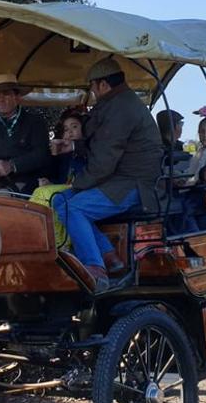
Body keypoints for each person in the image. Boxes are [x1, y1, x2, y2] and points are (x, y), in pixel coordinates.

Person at [50, 58, 162, 292]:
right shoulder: (117, 103)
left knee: (73, 207)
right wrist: (71, 148)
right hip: (117, 179)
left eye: (92, 86)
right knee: (60, 200)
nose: (91, 91)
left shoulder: (121, 108)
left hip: (132, 185)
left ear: (102, 85)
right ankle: (110, 257)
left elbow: (104, 160)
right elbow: (99, 146)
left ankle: (95, 269)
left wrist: (78, 185)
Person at [31, 110, 88, 248]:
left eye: (74, 127)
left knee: (44, 194)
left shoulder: (89, 150)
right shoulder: (66, 156)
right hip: (68, 191)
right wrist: (54, 157)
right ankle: (38, 237)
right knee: (44, 190)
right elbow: (60, 180)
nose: (69, 133)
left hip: (86, 189)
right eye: (66, 129)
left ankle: (55, 244)